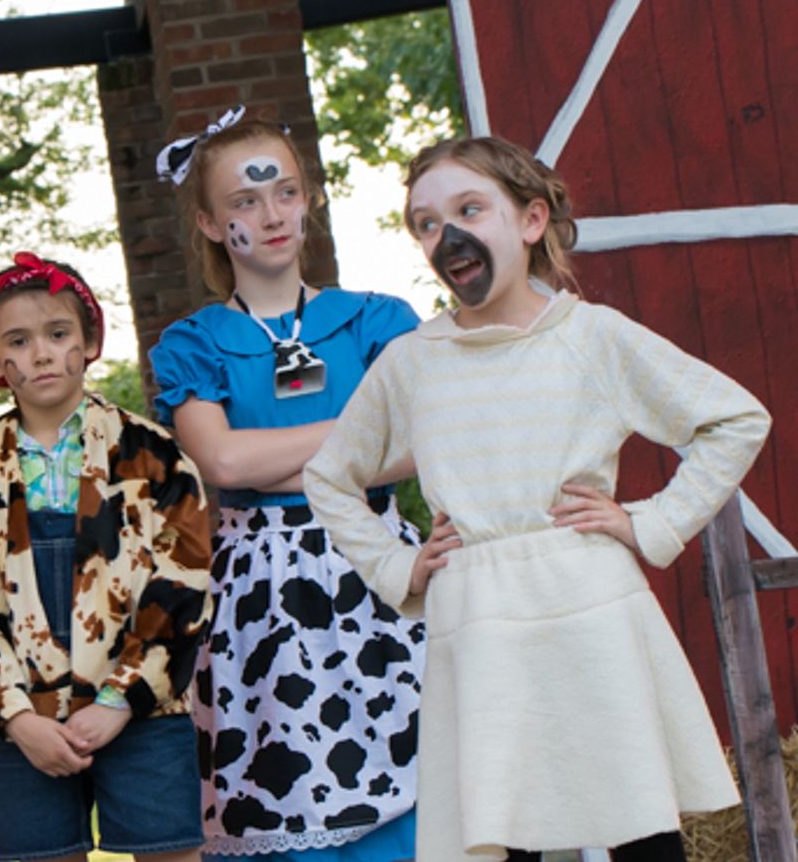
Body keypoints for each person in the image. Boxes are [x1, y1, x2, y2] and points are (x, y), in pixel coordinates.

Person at [303, 135, 772, 862]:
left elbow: (735, 418)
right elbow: (329, 475)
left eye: (468, 209)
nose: (446, 234)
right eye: (425, 223)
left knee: (642, 834)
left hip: (590, 601)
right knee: (505, 832)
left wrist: (650, 520)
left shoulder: (590, 336)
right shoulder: (413, 362)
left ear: (529, 221)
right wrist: (400, 566)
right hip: (479, 616)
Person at [148, 106, 424, 861]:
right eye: (244, 200)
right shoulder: (194, 343)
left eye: (286, 192)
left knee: (413, 790)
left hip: (382, 573)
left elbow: (422, 442)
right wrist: (368, 430)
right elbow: (224, 464)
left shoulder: (377, 319)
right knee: (283, 794)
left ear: (310, 198)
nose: (271, 215)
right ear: (209, 221)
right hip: (257, 600)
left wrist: (280, 455)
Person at [0, 252, 212, 862]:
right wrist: (16, 717)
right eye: (19, 341)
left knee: (172, 853)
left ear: (87, 342)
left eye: (58, 334)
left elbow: (182, 584)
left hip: (142, 708)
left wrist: (119, 701)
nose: (40, 353)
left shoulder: (152, 453)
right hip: (22, 719)